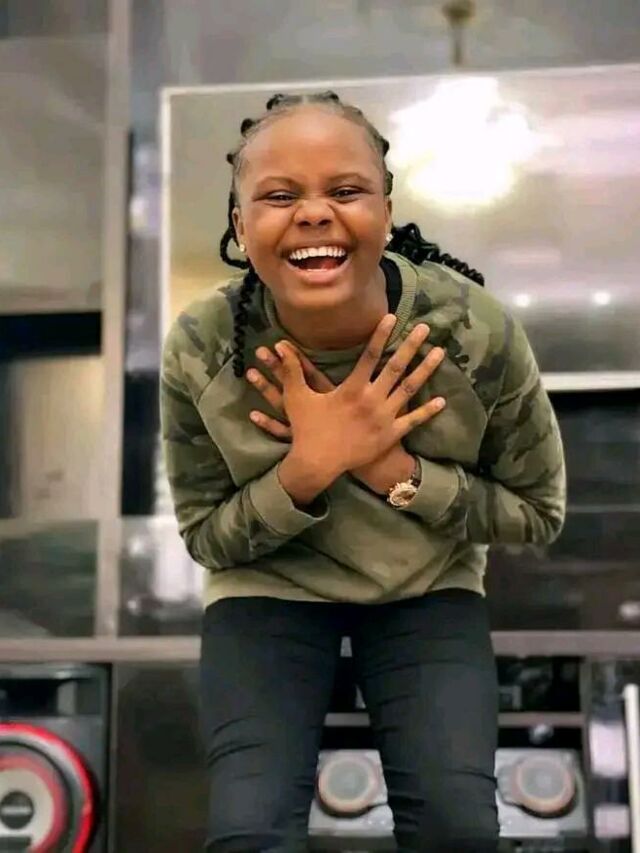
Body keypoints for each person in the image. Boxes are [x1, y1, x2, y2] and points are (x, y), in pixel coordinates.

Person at [160, 91, 566, 853]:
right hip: (269, 586)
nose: (314, 213)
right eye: (279, 195)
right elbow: (207, 537)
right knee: (249, 831)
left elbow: (537, 511)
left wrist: (395, 470)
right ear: (241, 226)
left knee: (456, 826)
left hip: (425, 586)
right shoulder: (203, 344)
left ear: (386, 211)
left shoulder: (474, 333)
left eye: (345, 190)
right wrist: (306, 470)